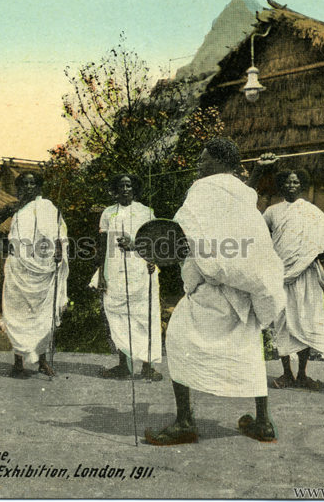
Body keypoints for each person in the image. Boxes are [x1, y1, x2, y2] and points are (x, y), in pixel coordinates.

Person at [146, 138, 285, 445]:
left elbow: (184, 235)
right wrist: (255, 173)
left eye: (203, 160)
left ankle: (184, 422)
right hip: (246, 291)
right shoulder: (243, 194)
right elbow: (237, 218)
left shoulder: (202, 191)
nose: (199, 165)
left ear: (220, 163)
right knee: (250, 350)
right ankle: (263, 422)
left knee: (178, 338)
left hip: (212, 289)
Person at [263, 168, 324, 390]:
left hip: (306, 273)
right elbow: (260, 237)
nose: (291, 186)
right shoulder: (271, 212)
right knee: (283, 323)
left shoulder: (312, 211)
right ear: (281, 185)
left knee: (306, 320)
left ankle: (302, 374)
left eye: (296, 182)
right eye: (287, 182)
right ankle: (286, 373)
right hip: (280, 274)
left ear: (302, 185)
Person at [0, 172, 68, 378]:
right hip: (18, 268)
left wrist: (59, 250)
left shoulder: (48, 207)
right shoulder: (13, 208)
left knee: (42, 316)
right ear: (18, 187)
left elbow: (60, 233)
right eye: (24, 184)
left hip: (43, 269)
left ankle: (42, 361)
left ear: (38, 187)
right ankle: (18, 363)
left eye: (32, 183)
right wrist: (3, 244)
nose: (28, 187)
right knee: (17, 314)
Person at [92, 174, 162, 381]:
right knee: (117, 316)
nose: (125, 189)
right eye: (121, 186)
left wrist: (149, 257)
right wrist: (101, 274)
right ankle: (124, 365)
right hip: (114, 270)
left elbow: (153, 240)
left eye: (129, 185)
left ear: (134, 188)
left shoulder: (146, 212)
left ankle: (148, 367)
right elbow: (102, 246)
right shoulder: (108, 213)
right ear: (116, 190)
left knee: (145, 315)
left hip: (141, 268)